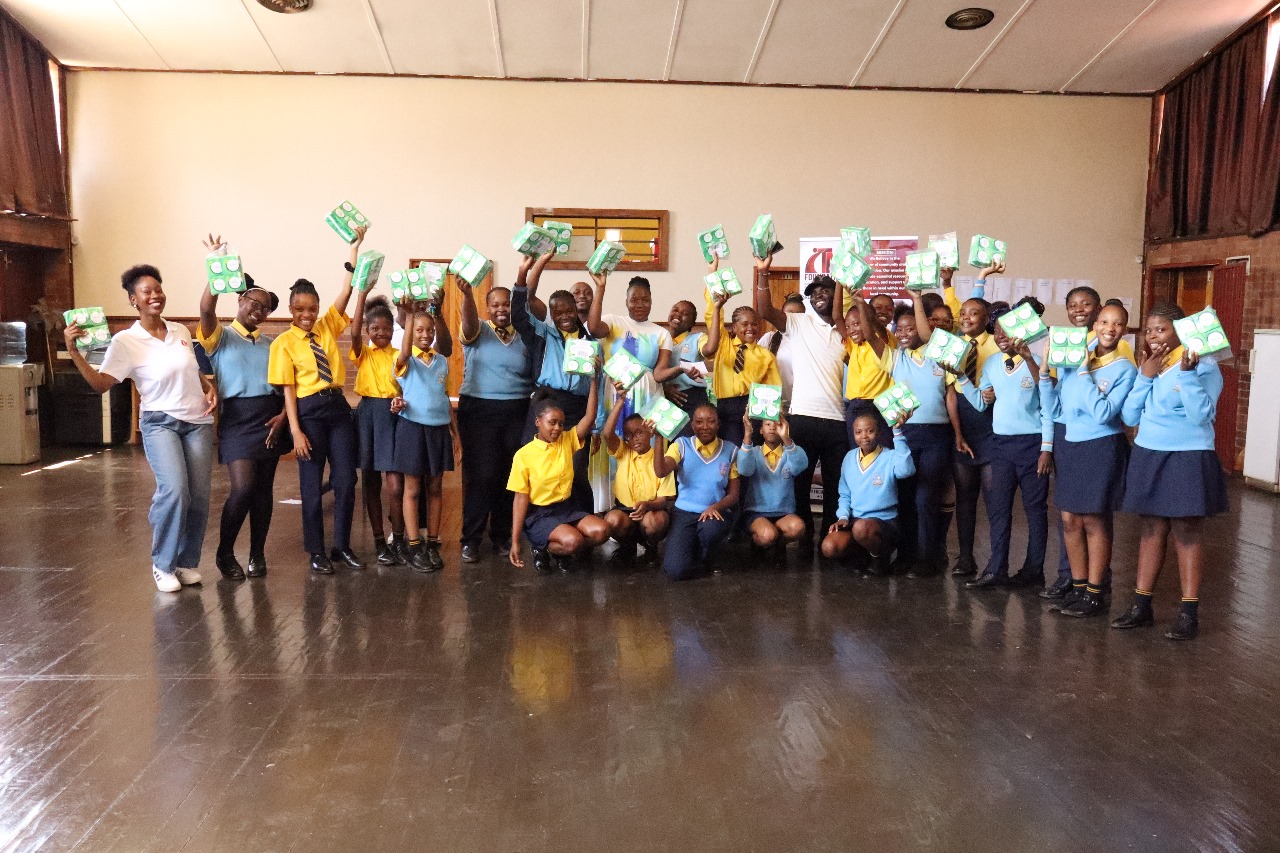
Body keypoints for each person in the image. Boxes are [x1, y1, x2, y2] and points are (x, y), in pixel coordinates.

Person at [64, 264, 216, 592]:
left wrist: (207, 386)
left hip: (198, 422)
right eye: (147, 292)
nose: (155, 295)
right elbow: (101, 384)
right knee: (174, 490)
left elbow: (190, 369)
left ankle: (186, 562)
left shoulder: (180, 331)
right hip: (160, 423)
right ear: (134, 300)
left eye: (158, 289)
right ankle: (163, 564)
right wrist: (74, 352)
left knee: (199, 497)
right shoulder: (126, 341)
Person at [1113, 303, 1227, 641]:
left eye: (1161, 329)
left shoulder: (1205, 367)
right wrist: (1144, 377)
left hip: (1188, 455)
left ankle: (1188, 614)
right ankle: (1141, 606)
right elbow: (1129, 416)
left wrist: (1187, 375)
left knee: (1186, 530)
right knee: (1151, 528)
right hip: (1149, 452)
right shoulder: (1150, 365)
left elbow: (1201, 415)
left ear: (1181, 332)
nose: (1152, 336)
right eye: (1149, 330)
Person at [268, 227, 365, 575]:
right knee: (311, 485)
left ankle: (342, 546)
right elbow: (289, 390)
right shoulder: (282, 344)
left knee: (346, 480)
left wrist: (354, 249)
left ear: (318, 308)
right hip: (308, 413)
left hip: (337, 409)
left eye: (312, 308)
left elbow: (347, 290)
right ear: (291, 309)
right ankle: (316, 551)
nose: (306, 314)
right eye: (299, 309)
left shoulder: (326, 328)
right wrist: (295, 431)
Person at [196, 236, 288, 581]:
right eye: (254, 303)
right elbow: (206, 309)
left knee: (263, 492)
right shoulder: (219, 336)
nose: (259, 310)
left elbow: (285, 386)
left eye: (266, 308)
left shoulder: (272, 344)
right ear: (240, 300)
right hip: (236, 419)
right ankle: (224, 552)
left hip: (270, 417)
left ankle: (257, 553)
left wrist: (283, 416)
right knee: (243, 488)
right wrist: (215, 267)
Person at [1039, 300, 1136, 617]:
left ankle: (1095, 594)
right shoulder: (1075, 360)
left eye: (1117, 324)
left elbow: (1104, 413)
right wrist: (1044, 373)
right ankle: (1078, 588)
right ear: (1095, 326)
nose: (1110, 328)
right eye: (1104, 322)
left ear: (1124, 330)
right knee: (1069, 520)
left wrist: (1082, 371)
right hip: (1071, 445)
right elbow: (1055, 409)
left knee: (1094, 521)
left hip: (1101, 447)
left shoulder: (1125, 369)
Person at [954, 300, 1053, 590]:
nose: (1001, 336)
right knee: (998, 509)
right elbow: (980, 404)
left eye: (1007, 331)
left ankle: (1034, 571)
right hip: (1000, 446)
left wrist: (1047, 449)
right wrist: (961, 376)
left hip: (1032, 445)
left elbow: (1049, 405)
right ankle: (996, 569)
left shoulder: (1037, 360)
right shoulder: (991, 363)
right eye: (997, 331)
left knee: (1035, 510)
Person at [754, 255, 849, 549]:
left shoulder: (847, 331)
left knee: (835, 486)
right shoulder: (799, 323)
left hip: (838, 420)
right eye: (814, 292)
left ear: (837, 294)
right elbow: (765, 310)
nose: (819, 294)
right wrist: (763, 272)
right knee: (799, 483)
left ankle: (829, 542)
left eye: (826, 289)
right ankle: (805, 541)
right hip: (803, 417)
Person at [511, 251, 600, 512]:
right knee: (538, 468)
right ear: (551, 313)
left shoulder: (590, 343)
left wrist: (596, 424)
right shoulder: (542, 333)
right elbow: (518, 315)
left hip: (577, 409)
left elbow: (598, 386)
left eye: (569, 310)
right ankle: (537, 526)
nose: (564, 316)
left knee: (576, 470)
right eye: (558, 311)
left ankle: (580, 520)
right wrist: (522, 274)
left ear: (576, 310)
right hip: (547, 403)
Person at [456, 265, 533, 563]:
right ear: (487, 308)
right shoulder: (478, 330)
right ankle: (471, 539)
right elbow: (468, 323)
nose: (501, 309)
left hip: (517, 409)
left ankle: (501, 535)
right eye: (495, 305)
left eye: (506, 304)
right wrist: (467, 295)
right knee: (482, 475)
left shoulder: (524, 334)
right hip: (479, 410)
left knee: (509, 475)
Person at [507, 357, 609, 573]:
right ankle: (541, 547)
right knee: (574, 541)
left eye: (561, 424)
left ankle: (560, 548)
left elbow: (589, 417)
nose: (557, 428)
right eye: (551, 423)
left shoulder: (566, 440)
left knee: (601, 531)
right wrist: (515, 541)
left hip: (566, 508)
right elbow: (520, 499)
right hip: (539, 514)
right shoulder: (524, 455)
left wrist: (593, 379)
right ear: (538, 422)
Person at [889, 294, 959, 577]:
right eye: (900, 329)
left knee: (926, 498)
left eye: (912, 327)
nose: (906, 333)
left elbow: (951, 397)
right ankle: (905, 554)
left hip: (937, 435)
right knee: (905, 496)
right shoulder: (896, 357)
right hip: (905, 434)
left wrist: (957, 433)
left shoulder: (939, 354)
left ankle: (927, 558)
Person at [392, 296, 455, 573]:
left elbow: (444, 397)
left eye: (429, 330)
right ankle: (414, 545)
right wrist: (409, 316)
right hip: (412, 429)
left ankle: (431, 543)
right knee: (413, 489)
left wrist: (456, 435)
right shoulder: (405, 361)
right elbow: (405, 352)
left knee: (436, 488)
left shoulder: (441, 361)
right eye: (419, 330)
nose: (425, 335)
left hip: (438, 429)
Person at [945, 275, 1001, 577]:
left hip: (992, 424)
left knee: (994, 499)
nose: (966, 317)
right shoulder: (954, 346)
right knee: (965, 497)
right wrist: (957, 433)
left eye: (974, 313)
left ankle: (997, 560)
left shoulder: (997, 344)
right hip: (964, 423)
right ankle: (965, 557)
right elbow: (951, 393)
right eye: (963, 313)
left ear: (986, 318)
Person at [652, 404, 740, 580]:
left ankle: (709, 557)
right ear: (692, 425)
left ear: (718, 424)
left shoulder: (731, 450)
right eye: (699, 422)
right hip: (684, 514)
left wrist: (715, 507)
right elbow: (661, 471)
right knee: (675, 571)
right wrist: (659, 437)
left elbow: (734, 495)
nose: (705, 426)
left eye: (711, 421)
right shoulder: (681, 445)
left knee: (710, 531)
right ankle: (693, 552)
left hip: (714, 514)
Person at [821, 411, 915, 574]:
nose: (864, 436)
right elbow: (844, 494)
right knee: (829, 547)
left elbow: (906, 470)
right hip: (856, 521)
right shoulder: (849, 457)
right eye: (858, 432)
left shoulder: (890, 456)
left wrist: (897, 433)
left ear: (878, 432)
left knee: (861, 528)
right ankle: (864, 556)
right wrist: (843, 517)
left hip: (884, 522)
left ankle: (880, 557)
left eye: (869, 431)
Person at [586, 271, 686, 425]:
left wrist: (682, 368)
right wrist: (600, 288)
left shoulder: (662, 333)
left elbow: (659, 373)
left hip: (648, 399)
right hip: (613, 395)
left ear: (651, 301)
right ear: (626, 302)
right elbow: (593, 329)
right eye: (634, 300)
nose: (640, 305)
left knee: (645, 438)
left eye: (645, 300)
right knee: (613, 437)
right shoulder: (613, 321)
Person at [349, 290, 405, 566]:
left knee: (395, 486)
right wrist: (362, 295)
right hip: (368, 415)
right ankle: (379, 540)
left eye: (386, 328)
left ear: (393, 330)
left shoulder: (398, 355)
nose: (381, 333)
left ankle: (399, 537)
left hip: (392, 416)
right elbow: (354, 332)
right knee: (370, 480)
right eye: (375, 329)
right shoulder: (364, 354)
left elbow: (404, 382)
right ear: (367, 331)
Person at [701, 274, 781, 448]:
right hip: (725, 409)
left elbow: (773, 391)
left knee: (750, 453)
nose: (750, 328)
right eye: (745, 324)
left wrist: (771, 422)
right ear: (734, 327)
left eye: (754, 324)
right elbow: (712, 317)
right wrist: (717, 304)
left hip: (753, 410)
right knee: (730, 453)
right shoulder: (724, 345)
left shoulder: (765, 355)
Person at [601, 395, 675, 561]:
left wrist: (647, 505)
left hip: (651, 510)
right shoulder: (623, 452)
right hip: (626, 511)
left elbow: (663, 501)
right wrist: (621, 400)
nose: (634, 438)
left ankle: (651, 546)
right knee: (612, 520)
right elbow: (607, 434)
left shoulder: (661, 460)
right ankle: (627, 546)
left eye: (639, 432)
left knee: (657, 521)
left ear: (650, 433)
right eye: (629, 435)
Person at [736, 411, 808, 560]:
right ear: (761, 430)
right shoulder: (753, 452)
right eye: (767, 424)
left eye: (777, 424)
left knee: (798, 527)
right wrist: (747, 434)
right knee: (768, 535)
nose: (772, 427)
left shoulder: (790, 452)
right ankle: (761, 543)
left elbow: (801, 465)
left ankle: (776, 544)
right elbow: (744, 469)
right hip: (757, 513)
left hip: (784, 513)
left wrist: (786, 438)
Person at [832, 286, 894, 450]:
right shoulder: (853, 344)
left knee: (883, 451)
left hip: (879, 405)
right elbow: (837, 316)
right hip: (855, 405)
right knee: (858, 451)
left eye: (856, 324)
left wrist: (860, 303)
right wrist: (838, 282)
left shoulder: (883, 338)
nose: (851, 329)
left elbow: (871, 331)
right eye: (848, 326)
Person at [661, 299, 708, 432]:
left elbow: (709, 349)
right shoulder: (660, 340)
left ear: (692, 323)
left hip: (691, 397)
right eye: (675, 310)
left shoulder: (697, 338)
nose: (678, 314)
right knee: (670, 441)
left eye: (685, 314)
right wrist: (664, 389)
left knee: (689, 439)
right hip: (666, 398)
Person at [758, 293, 805, 410]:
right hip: (774, 405)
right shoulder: (769, 338)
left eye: (798, 314)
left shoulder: (809, 341)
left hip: (801, 406)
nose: (793, 318)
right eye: (789, 313)